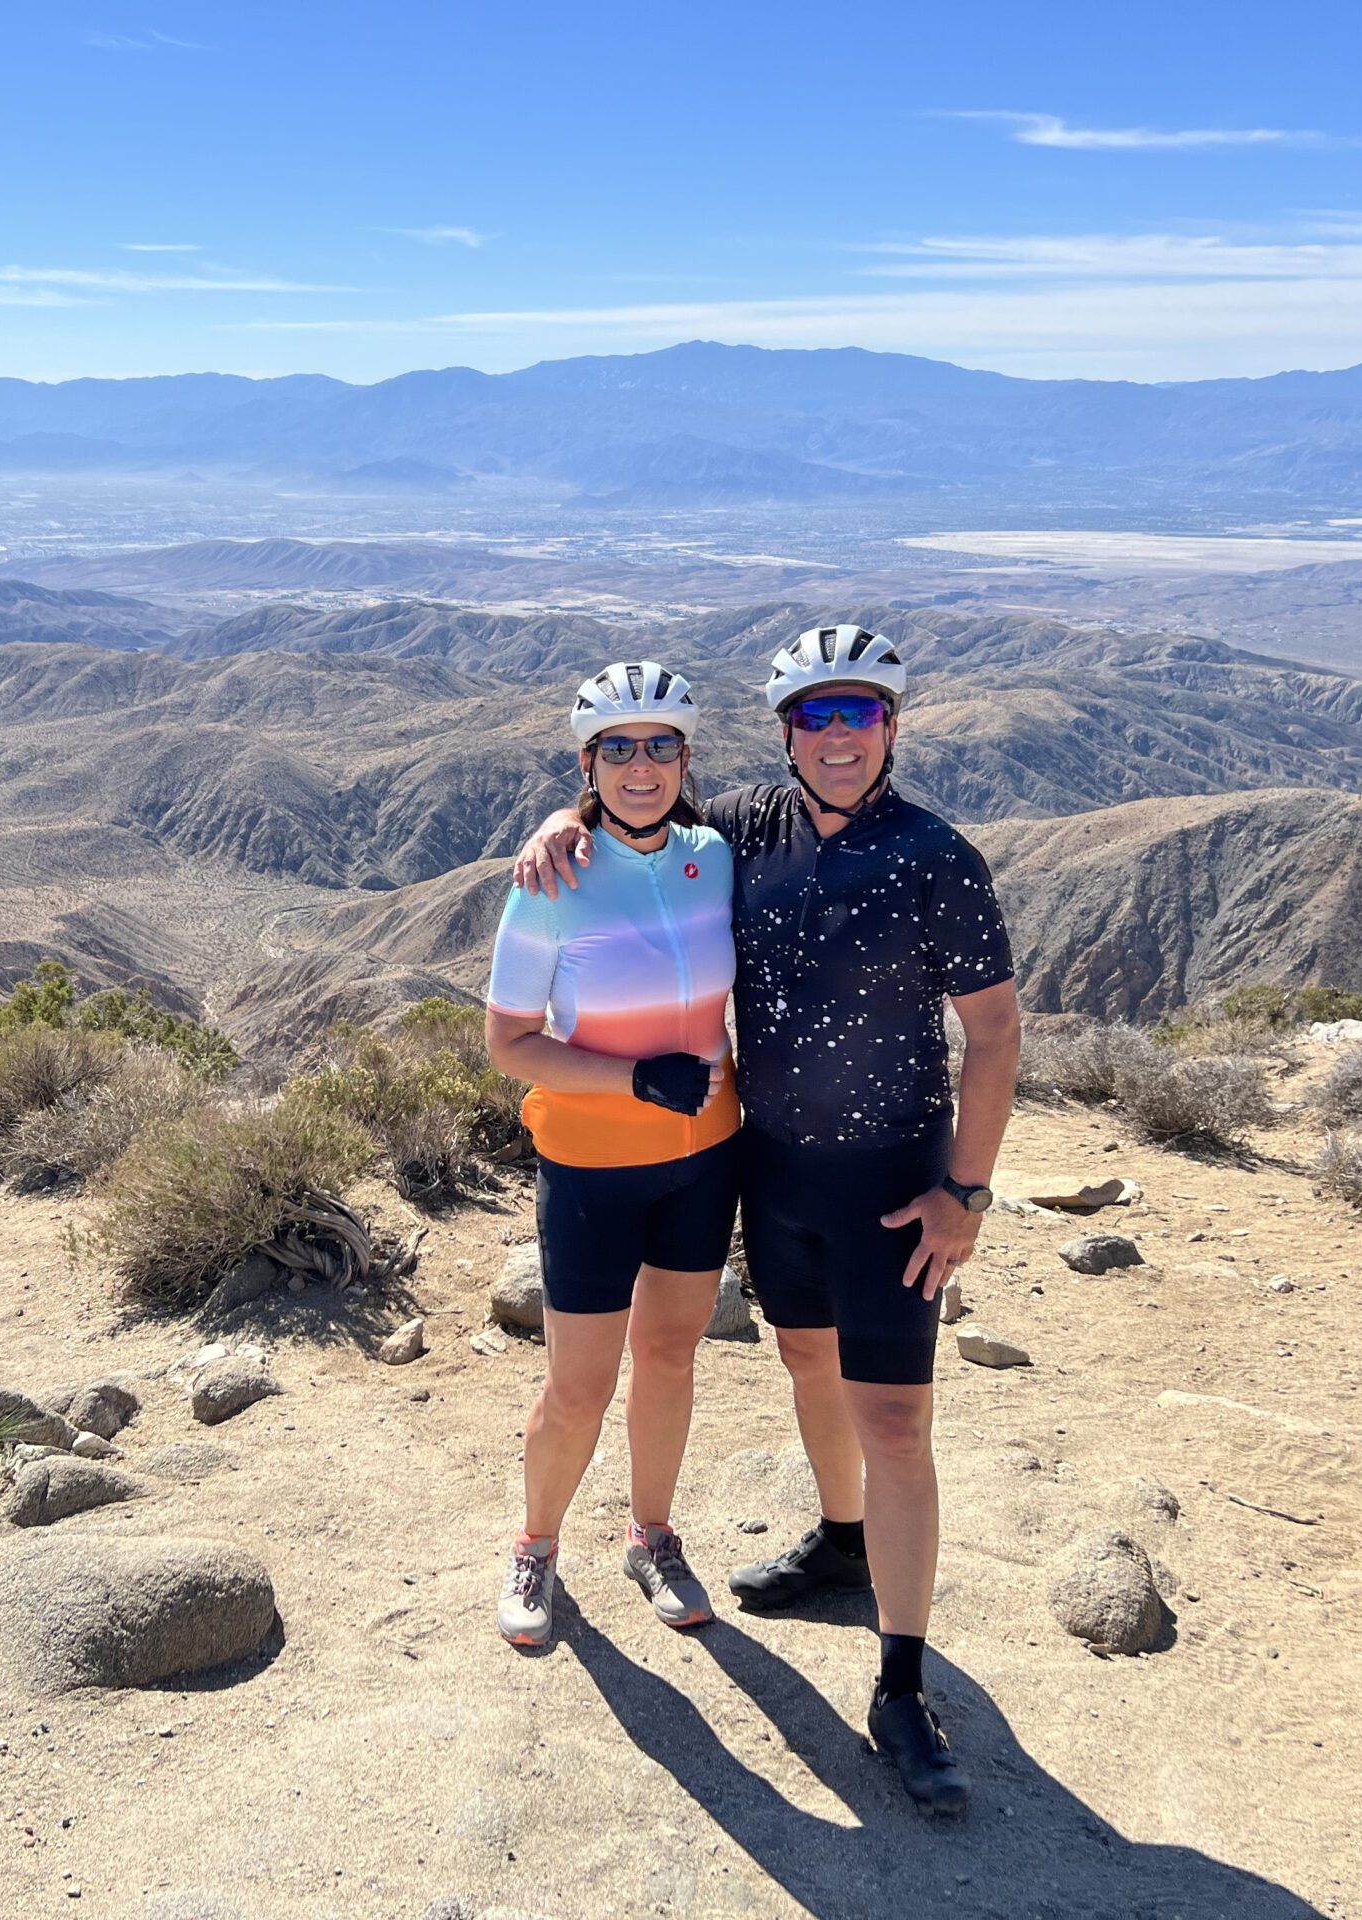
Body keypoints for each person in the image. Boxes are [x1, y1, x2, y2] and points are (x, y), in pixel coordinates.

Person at [512, 624, 1021, 1816]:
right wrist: (557, 825)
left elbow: (992, 1036)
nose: (837, 737)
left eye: (860, 716)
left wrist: (967, 1193)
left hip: (896, 1180)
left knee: (893, 1422)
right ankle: (840, 1540)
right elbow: (640, 818)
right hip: (770, 1171)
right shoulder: (745, 828)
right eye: (815, 717)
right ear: (787, 732)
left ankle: (899, 1686)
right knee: (802, 1359)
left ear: (892, 728)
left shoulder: (937, 859)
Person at [483, 661, 741, 1651]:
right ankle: (536, 1545)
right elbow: (509, 1043)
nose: (643, 766)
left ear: (686, 757)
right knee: (579, 1385)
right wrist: (632, 1083)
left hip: (703, 1157)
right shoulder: (552, 879)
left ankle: (652, 1536)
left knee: (671, 1357)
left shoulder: (715, 854)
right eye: (619, 749)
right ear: (588, 762)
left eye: (662, 745)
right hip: (591, 1165)